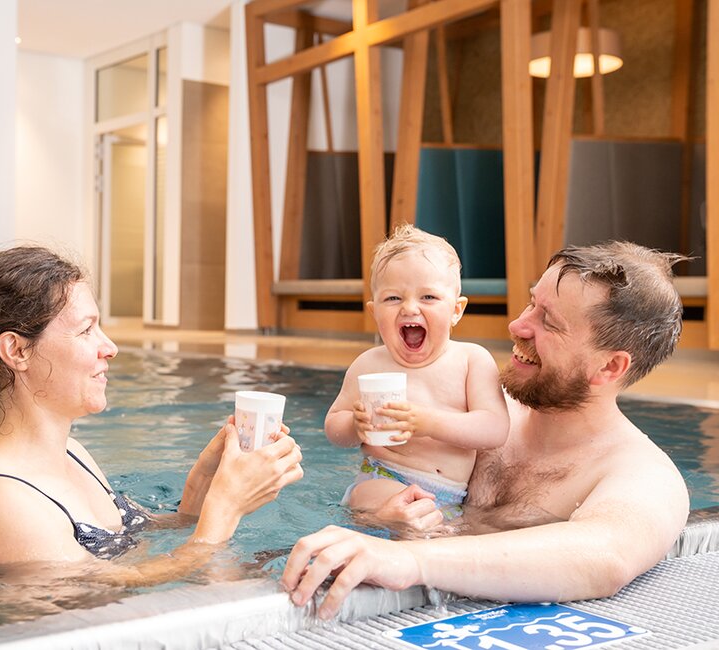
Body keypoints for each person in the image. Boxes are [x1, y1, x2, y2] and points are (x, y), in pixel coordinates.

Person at [282, 241, 690, 618]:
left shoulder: (642, 474)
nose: (517, 325)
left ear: (609, 366)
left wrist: (412, 560)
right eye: (532, 303)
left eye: (547, 320)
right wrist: (376, 521)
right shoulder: (474, 411)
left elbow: (604, 555)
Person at [0, 246, 303, 584]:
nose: (109, 347)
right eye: (87, 329)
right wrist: (225, 510)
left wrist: (200, 495)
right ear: (17, 351)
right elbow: (110, 600)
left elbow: (130, 553)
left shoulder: (71, 452)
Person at [326, 224, 509, 519]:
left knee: (435, 533)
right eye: (393, 298)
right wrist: (355, 427)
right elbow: (334, 426)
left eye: (428, 298)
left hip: (449, 496)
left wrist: (427, 422)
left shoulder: (472, 360)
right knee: (367, 496)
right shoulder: (368, 364)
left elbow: (494, 429)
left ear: (456, 310)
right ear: (375, 313)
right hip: (383, 477)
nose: (410, 308)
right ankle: (390, 516)